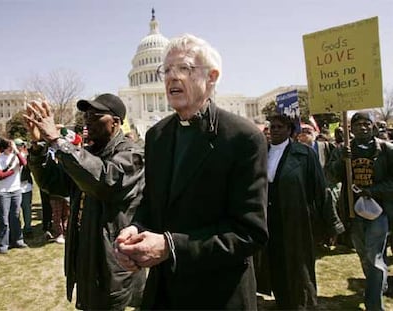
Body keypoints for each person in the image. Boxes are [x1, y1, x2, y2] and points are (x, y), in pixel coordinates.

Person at [114, 34, 268, 310]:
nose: (172, 77)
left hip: (218, 294)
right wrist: (136, 228)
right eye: (167, 70)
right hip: (164, 293)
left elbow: (249, 233)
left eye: (183, 68)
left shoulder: (242, 138)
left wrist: (170, 247)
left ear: (212, 76)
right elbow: (153, 202)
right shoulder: (157, 136)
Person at [24, 93, 146, 310]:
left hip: (113, 260)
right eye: (86, 115)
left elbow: (105, 181)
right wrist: (37, 146)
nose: (87, 121)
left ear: (115, 123)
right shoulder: (86, 154)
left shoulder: (132, 154)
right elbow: (54, 183)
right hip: (85, 253)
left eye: (95, 115)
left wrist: (56, 140)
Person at [254, 114, 344, 309]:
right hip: (270, 220)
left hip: (297, 219)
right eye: (271, 127)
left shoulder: (304, 154)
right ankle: (282, 301)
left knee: (299, 266)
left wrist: (332, 224)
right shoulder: (262, 153)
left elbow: (321, 190)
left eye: (279, 127)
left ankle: (304, 305)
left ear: (289, 130)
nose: (274, 130)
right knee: (276, 263)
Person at [326, 112, 393, 311]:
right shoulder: (343, 150)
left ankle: (374, 305)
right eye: (358, 124)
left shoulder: (386, 149)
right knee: (364, 257)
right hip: (353, 212)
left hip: (378, 212)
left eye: (367, 124)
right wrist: (341, 161)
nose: (362, 128)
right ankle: (378, 285)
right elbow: (330, 175)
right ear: (351, 128)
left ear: (373, 126)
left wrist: (372, 191)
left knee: (374, 257)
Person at [0, 137, 28, 254]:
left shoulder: (16, 157)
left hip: (16, 190)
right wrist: (13, 171)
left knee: (16, 217)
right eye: (10, 146)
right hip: (3, 192)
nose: (12, 148)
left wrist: (17, 152)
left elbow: (24, 163)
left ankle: (18, 239)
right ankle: (3, 244)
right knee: (4, 218)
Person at [15, 138, 34, 238]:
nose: (20, 147)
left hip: (26, 187)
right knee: (15, 211)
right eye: (17, 145)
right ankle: (16, 230)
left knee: (27, 209)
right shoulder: (10, 157)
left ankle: (28, 228)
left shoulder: (28, 157)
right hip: (14, 188)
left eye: (21, 145)